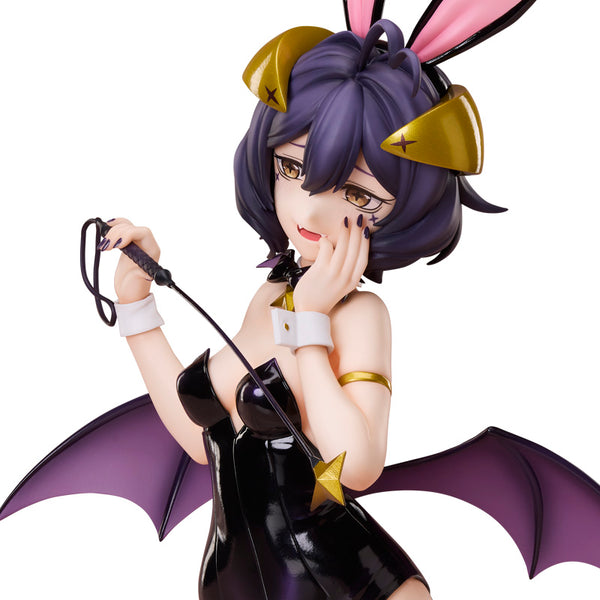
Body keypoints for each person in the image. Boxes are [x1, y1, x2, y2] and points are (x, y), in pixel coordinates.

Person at [96, 15, 504, 599]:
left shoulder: (360, 316)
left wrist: (311, 324)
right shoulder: (267, 295)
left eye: (358, 193)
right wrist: (136, 307)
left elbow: (357, 465)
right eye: (293, 167)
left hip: (348, 581)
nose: (311, 211)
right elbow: (202, 440)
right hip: (228, 578)